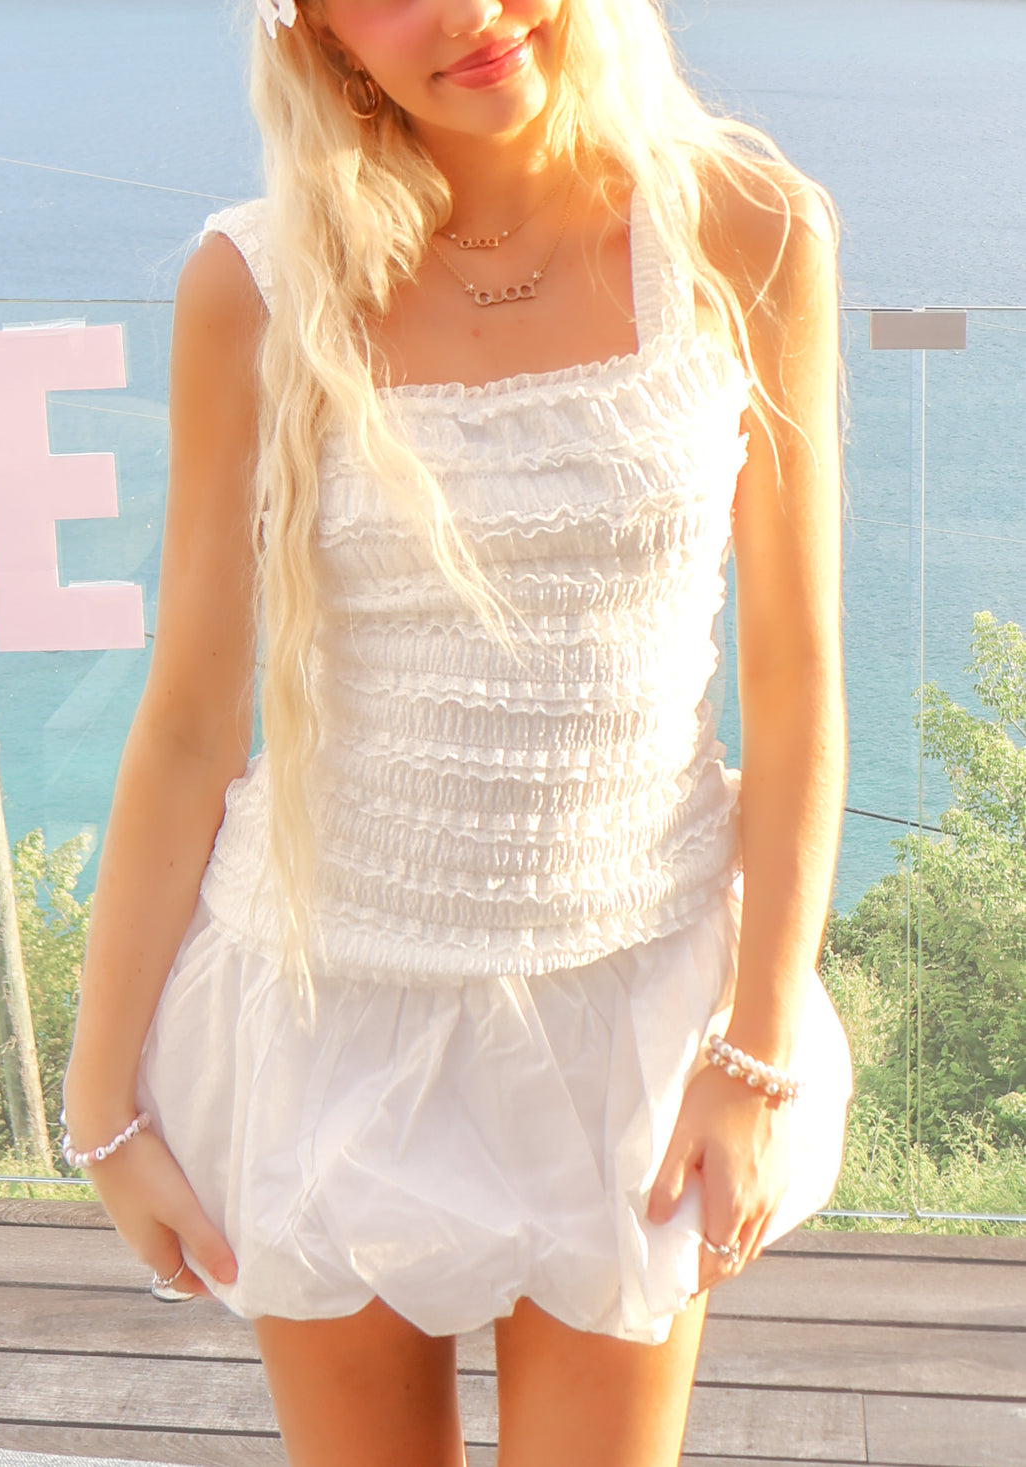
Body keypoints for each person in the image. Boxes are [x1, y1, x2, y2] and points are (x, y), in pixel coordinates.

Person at [62, 1, 853, 1463]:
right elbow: (186, 722)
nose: (471, 17)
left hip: (636, 1022)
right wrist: (102, 1110)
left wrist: (752, 1058)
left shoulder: (748, 234)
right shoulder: (256, 285)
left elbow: (801, 685)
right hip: (324, 1022)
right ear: (312, 32)